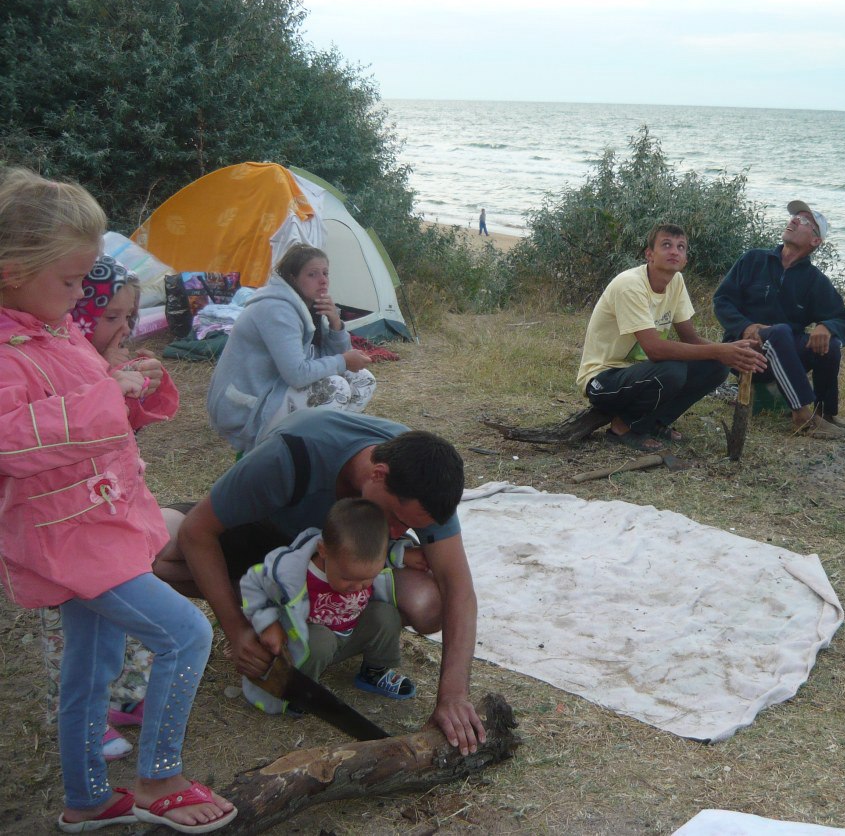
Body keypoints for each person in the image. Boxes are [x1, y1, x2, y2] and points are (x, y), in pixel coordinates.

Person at [0, 167, 235, 833]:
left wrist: (130, 384)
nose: (80, 297)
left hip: (97, 522)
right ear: (14, 271)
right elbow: (11, 441)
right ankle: (160, 776)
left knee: (92, 667)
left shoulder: (55, 327)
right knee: (186, 634)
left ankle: (87, 799)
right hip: (68, 539)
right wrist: (109, 392)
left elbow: (90, 401)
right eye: (70, 282)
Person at [153, 408, 487, 755]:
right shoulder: (290, 453)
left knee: (429, 604)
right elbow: (197, 531)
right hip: (260, 539)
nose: (397, 534)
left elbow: (458, 589)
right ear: (378, 473)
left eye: (409, 528)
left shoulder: (424, 480)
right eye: (395, 519)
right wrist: (236, 630)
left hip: (334, 564)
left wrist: (453, 696)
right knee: (158, 554)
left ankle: (332, 626)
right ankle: (266, 606)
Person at [38, 255, 182, 762]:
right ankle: (82, 716)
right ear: (79, 313)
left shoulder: (103, 364)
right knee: (73, 626)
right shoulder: (54, 370)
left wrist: (142, 381)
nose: (123, 326)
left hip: (115, 512)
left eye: (129, 315)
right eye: (110, 317)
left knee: (132, 602)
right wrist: (110, 390)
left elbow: (128, 431)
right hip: (68, 525)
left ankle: (123, 696)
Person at [576, 223, 767, 451]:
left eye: (681, 247)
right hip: (603, 379)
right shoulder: (630, 285)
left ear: (685, 259)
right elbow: (654, 350)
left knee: (716, 366)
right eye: (666, 245)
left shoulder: (675, 282)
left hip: (641, 373)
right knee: (672, 370)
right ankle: (623, 426)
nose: (674, 251)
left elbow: (691, 339)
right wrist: (720, 350)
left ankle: (656, 422)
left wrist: (731, 351)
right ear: (650, 255)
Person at [241, 497, 416, 714]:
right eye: (348, 578)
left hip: (348, 634)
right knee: (320, 640)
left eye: (367, 579)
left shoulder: (359, 559)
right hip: (307, 646)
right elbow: (253, 585)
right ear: (323, 550)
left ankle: (374, 672)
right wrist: (268, 625)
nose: (357, 586)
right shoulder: (291, 572)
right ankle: (300, 691)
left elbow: (386, 555)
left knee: (386, 615)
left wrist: (403, 554)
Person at [207, 244, 375, 454]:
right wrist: (343, 360)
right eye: (312, 274)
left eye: (325, 273)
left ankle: (328, 448)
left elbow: (329, 360)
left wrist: (335, 323)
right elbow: (297, 374)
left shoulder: (309, 304)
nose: (323, 280)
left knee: (362, 379)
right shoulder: (277, 309)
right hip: (248, 406)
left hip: (275, 389)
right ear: (293, 278)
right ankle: (288, 453)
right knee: (336, 388)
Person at [713, 200, 845, 440]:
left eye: (803, 221)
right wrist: (745, 327)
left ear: (815, 241)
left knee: (828, 345)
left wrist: (827, 326)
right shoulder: (753, 259)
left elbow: (844, 320)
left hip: (786, 358)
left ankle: (826, 414)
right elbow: (722, 300)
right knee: (779, 332)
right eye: (794, 217)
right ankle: (802, 416)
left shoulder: (814, 280)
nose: (793, 221)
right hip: (744, 352)